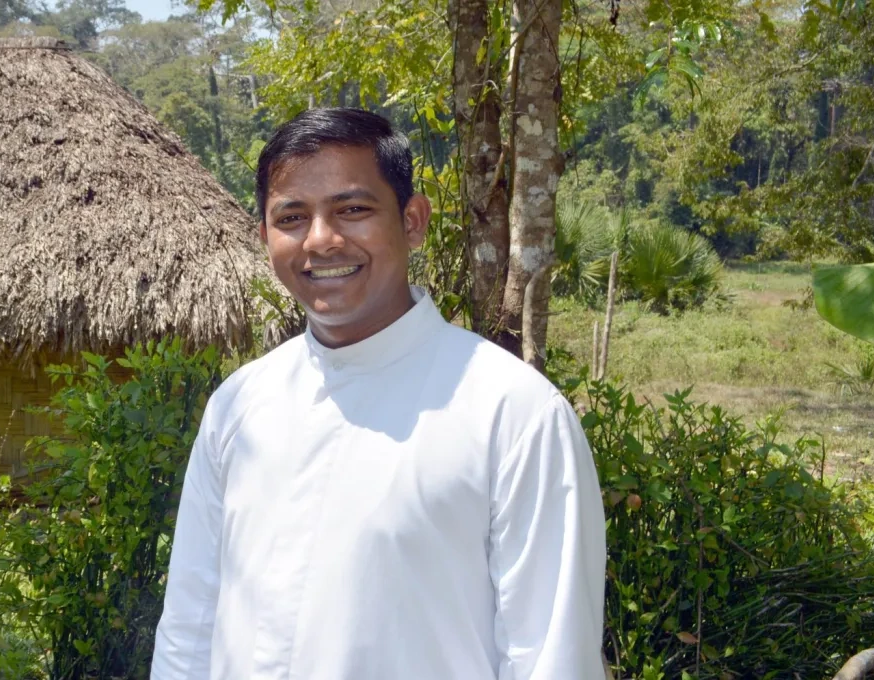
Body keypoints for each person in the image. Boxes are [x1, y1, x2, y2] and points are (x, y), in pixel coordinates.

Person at [150, 108, 607, 680]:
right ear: (265, 236)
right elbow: (189, 627)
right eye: (292, 217)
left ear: (412, 221)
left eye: (353, 209)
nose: (321, 240)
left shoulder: (513, 413)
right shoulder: (239, 406)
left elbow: (552, 657)